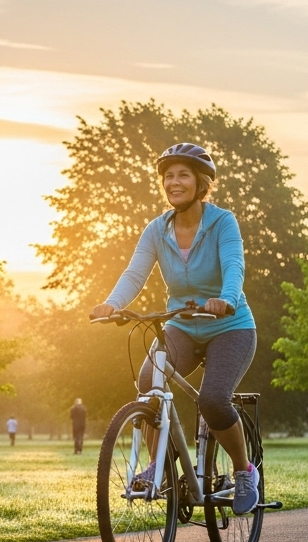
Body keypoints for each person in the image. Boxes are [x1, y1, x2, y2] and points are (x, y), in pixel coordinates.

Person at [90, 143, 262, 514]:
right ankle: (160, 466)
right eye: (168, 176)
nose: (174, 181)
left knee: (213, 400)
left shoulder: (222, 222)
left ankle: (244, 471)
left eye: (183, 174)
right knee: (150, 382)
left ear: (201, 183)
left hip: (229, 326)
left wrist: (227, 298)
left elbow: (234, 266)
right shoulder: (156, 229)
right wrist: (114, 303)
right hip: (182, 326)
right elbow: (135, 271)